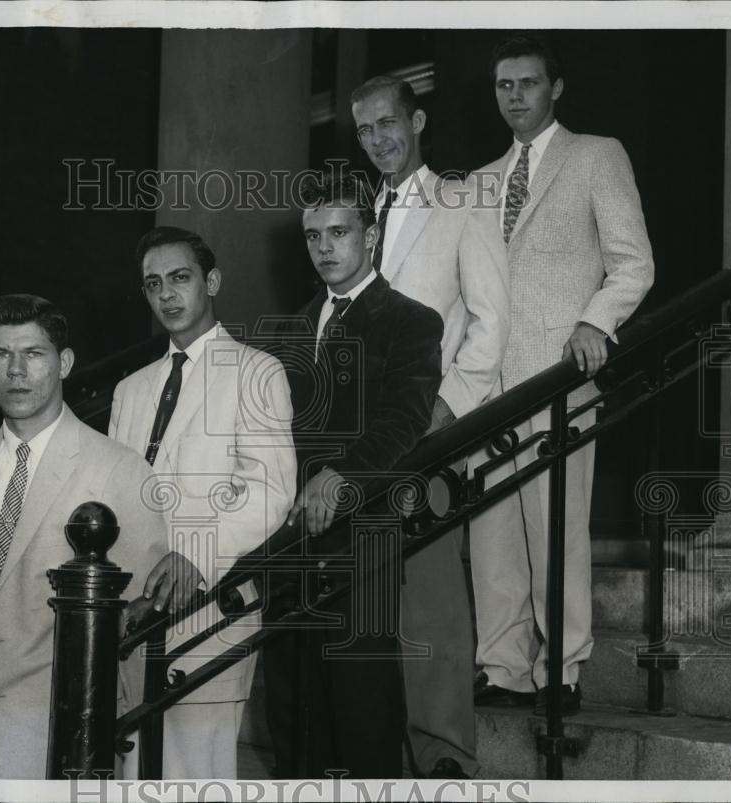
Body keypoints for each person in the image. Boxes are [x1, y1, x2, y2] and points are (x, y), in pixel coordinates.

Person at [469, 33, 654, 715]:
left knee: (557, 527)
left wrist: (595, 322)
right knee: (491, 533)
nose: (514, 96)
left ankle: (563, 667)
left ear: (557, 87)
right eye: (503, 85)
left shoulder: (595, 156)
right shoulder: (480, 181)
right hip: (488, 385)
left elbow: (633, 260)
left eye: (528, 83)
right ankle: (502, 665)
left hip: (557, 376)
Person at [0, 294, 167, 779]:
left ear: (65, 363)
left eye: (32, 353)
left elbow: (133, 620)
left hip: (54, 733)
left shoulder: (120, 469)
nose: (15, 371)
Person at [350, 75, 509, 779]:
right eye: (364, 130)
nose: (379, 140)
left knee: (432, 598)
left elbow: (490, 324)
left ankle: (445, 755)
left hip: (424, 433)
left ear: (416, 121)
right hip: (358, 436)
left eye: (388, 123)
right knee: (368, 599)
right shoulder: (356, 215)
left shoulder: (463, 202)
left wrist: (442, 412)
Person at [262, 172, 443, 779]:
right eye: (313, 235)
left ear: (371, 234)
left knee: (361, 705)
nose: (324, 247)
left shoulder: (411, 320)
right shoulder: (291, 328)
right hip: (291, 538)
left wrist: (340, 476)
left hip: (362, 533)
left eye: (338, 232)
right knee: (293, 708)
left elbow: (403, 422)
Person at [108, 226, 296, 778]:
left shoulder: (256, 372)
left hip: (212, 609)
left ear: (211, 281)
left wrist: (195, 553)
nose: (166, 294)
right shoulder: (131, 389)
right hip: (135, 611)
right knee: (132, 770)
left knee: (194, 773)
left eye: (180, 278)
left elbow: (270, 490)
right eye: (153, 284)